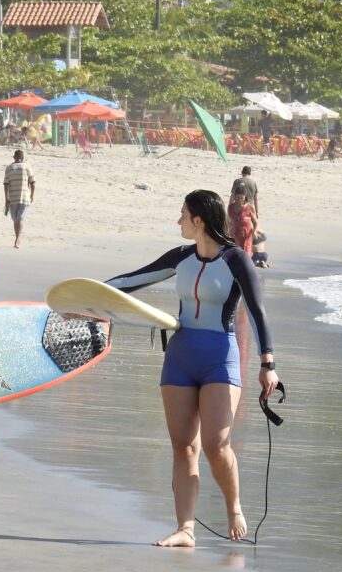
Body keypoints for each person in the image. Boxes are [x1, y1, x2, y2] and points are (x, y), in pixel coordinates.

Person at [105, 190, 279, 547]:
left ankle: (233, 506)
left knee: (216, 445)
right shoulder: (181, 257)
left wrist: (268, 364)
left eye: (183, 215)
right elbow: (132, 280)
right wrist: (87, 297)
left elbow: (257, 312)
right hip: (181, 356)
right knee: (183, 446)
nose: (179, 221)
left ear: (198, 220)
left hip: (219, 357)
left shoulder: (235, 259)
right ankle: (185, 528)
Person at [3, 149, 36, 249]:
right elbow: (33, 183)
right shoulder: (27, 167)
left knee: (16, 220)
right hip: (25, 197)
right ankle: (18, 239)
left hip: (13, 198)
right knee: (20, 219)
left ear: (14, 157)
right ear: (23, 158)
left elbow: (6, 185)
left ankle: (17, 239)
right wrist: (32, 195)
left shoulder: (9, 168)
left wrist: (6, 198)